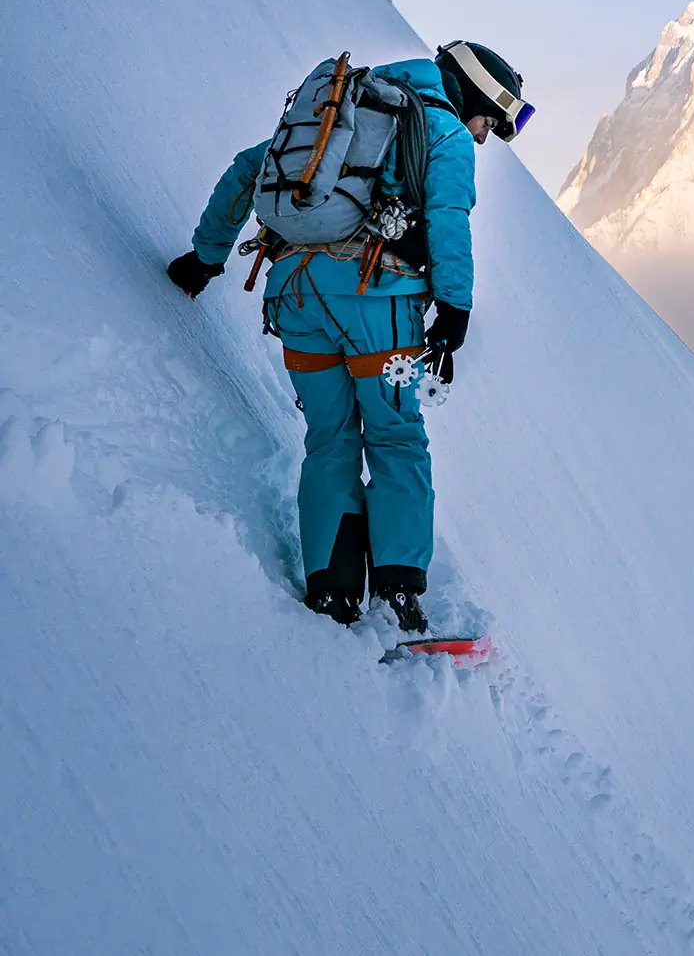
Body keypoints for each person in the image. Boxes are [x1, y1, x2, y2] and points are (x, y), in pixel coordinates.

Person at [166, 42, 532, 633]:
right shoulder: (444, 132)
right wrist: (454, 310)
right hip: (376, 301)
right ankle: (397, 595)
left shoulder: (341, 109)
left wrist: (205, 259)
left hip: (293, 295)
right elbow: (447, 217)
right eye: (489, 121)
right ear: (471, 95)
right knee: (395, 436)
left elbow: (247, 170)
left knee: (330, 438)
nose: (484, 135)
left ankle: (332, 593)